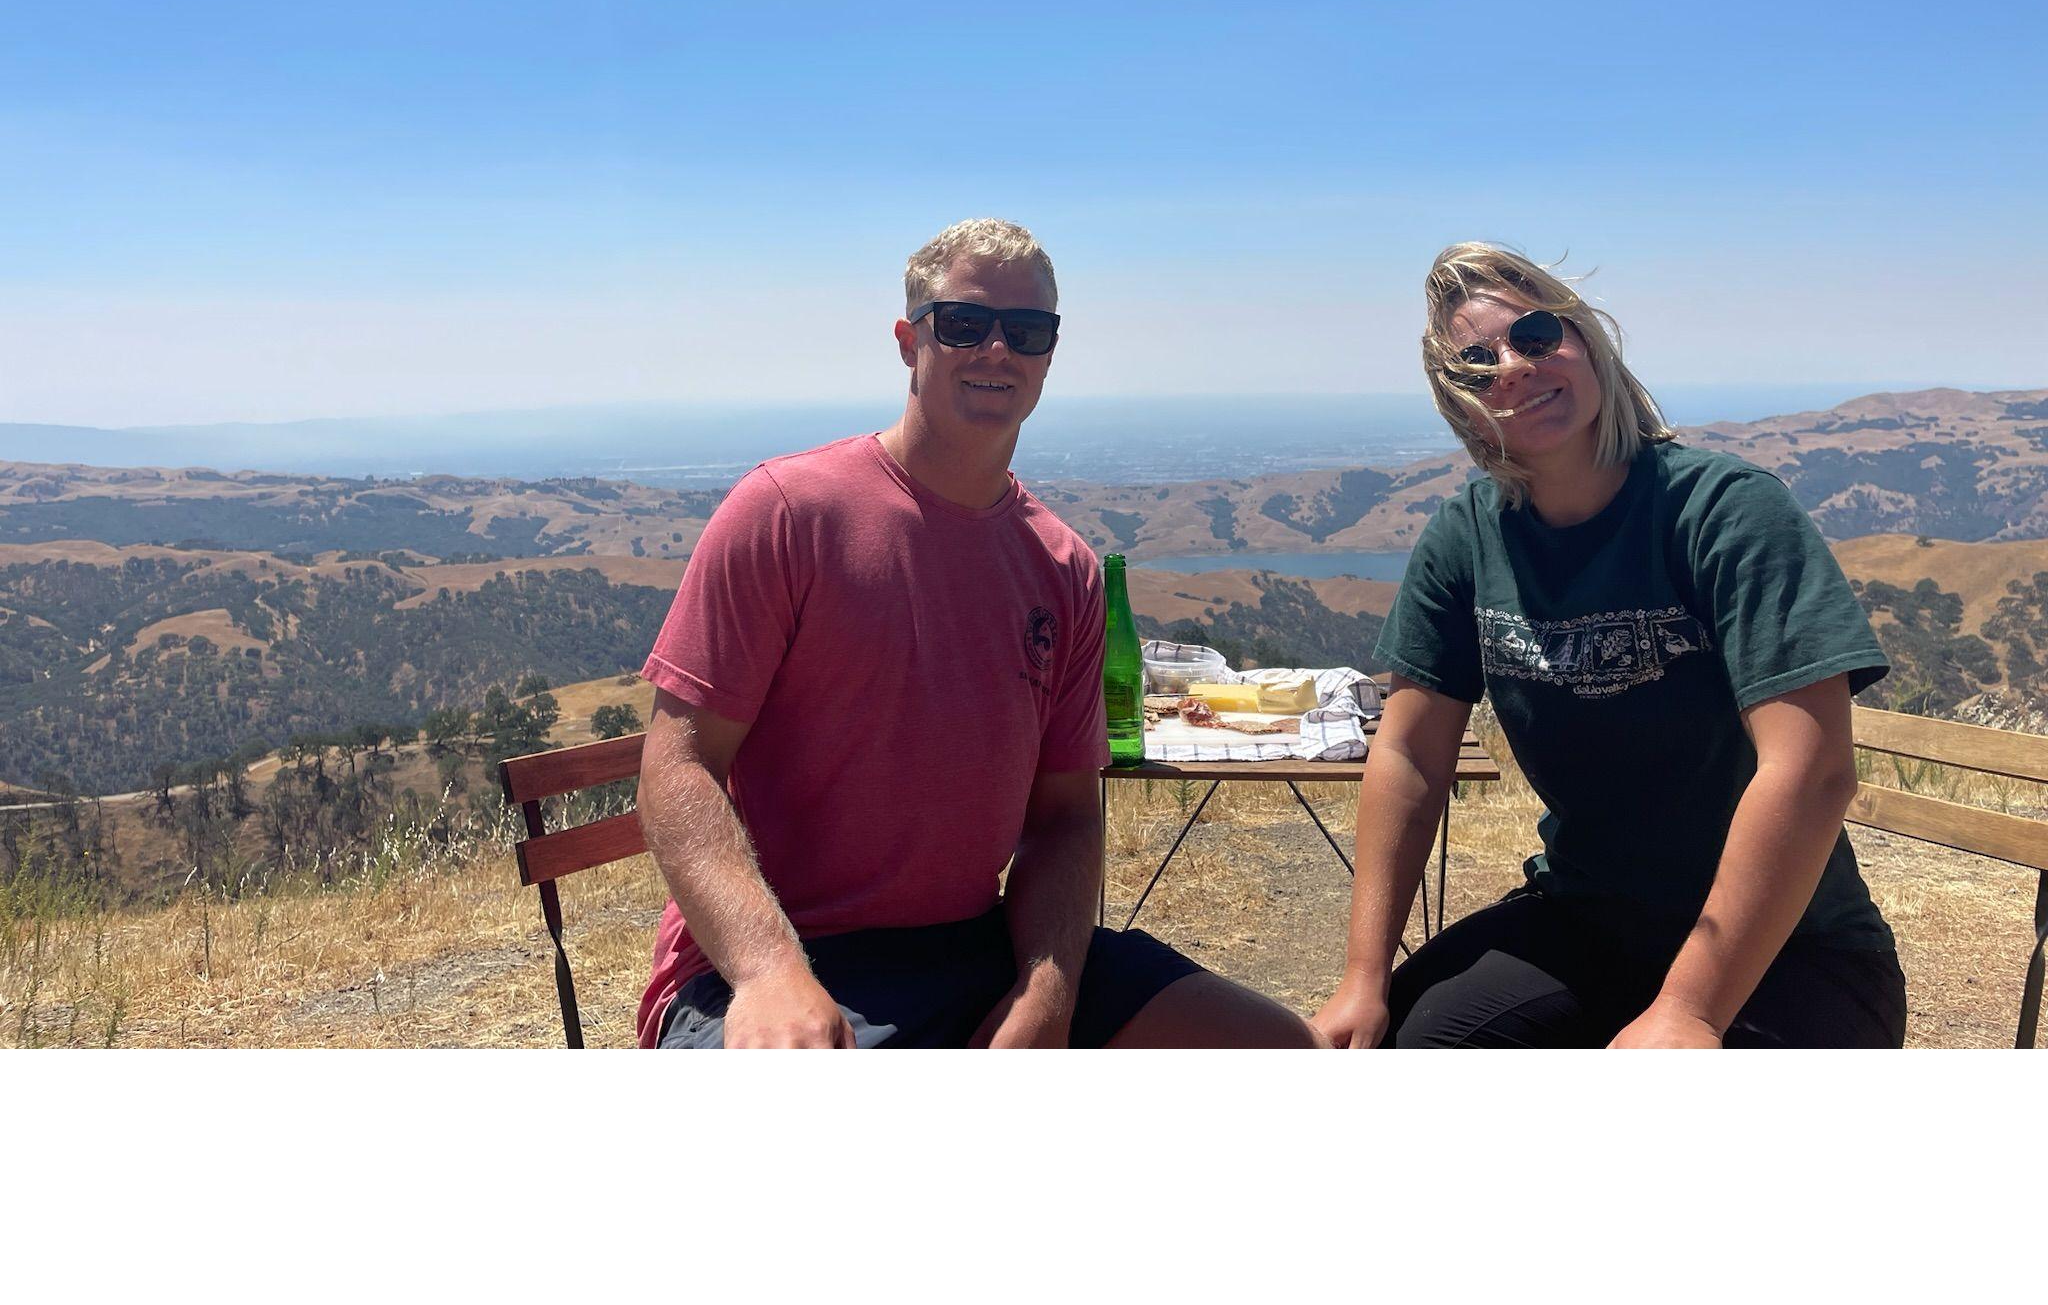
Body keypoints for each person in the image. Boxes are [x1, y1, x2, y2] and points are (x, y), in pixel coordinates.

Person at [635, 217, 1321, 1048]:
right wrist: (767, 969)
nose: (997, 348)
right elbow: (676, 768)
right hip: (768, 966)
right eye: (964, 323)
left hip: (979, 947)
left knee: (1283, 1048)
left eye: (1027, 330)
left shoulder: (1063, 569)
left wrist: (1047, 994)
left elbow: (1064, 816)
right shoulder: (785, 514)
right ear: (909, 341)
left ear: (1049, 355)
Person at [1314, 242, 1907, 1050]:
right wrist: (1363, 978)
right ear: (1461, 405)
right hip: (1586, 921)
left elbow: (1811, 770)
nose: (1512, 368)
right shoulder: (1467, 537)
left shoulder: (1724, 511)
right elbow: (1411, 756)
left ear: (1586, 338)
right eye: (1476, 364)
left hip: (1795, 950)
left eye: (1535, 333)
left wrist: (1688, 1011)